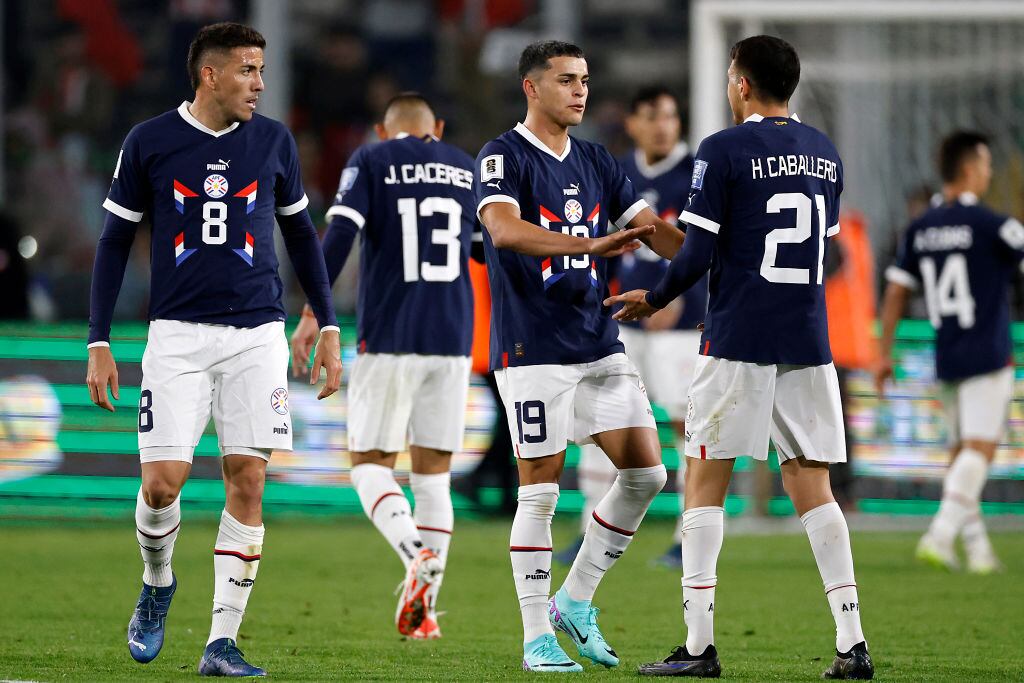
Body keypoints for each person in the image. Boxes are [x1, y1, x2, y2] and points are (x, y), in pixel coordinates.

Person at [610, 35, 873, 679]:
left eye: (731, 77)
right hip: (808, 342)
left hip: (737, 338)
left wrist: (656, 295)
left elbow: (696, 254)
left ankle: (699, 648)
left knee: (704, 478)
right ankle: (852, 643)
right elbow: (829, 254)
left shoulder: (723, 150)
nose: (729, 87)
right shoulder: (824, 152)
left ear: (743, 84)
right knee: (813, 485)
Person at [85, 23, 342, 678]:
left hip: (257, 333)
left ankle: (221, 642)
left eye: (261, 70)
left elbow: (302, 236)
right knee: (161, 484)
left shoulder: (274, 141)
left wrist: (328, 321)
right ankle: (158, 579)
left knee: (248, 478)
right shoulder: (150, 141)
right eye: (249, 70)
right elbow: (115, 242)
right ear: (209, 75)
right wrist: (99, 338)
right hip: (176, 334)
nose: (260, 83)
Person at [475, 40, 685, 672]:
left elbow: (658, 233)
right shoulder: (501, 156)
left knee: (648, 473)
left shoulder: (598, 161)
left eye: (586, 80)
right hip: (532, 348)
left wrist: (715, 255)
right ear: (532, 88)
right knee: (538, 491)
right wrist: (592, 244)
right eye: (566, 80)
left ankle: (575, 598)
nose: (580, 91)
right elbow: (505, 231)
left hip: (596, 339)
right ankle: (536, 635)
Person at [291, 92, 483, 639]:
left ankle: (415, 554)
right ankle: (425, 614)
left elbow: (341, 237)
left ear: (383, 130)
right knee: (433, 478)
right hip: (452, 339)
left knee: (370, 465)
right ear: (437, 128)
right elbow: (481, 250)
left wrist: (312, 311)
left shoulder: (372, 160)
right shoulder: (465, 167)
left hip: (391, 335)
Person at [556, 85, 706, 570]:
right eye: (652, 116)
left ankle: (690, 538)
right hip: (622, 322)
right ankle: (589, 533)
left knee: (690, 430)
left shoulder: (696, 174)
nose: (664, 125)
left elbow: (705, 249)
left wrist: (673, 297)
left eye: (670, 115)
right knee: (604, 425)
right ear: (634, 124)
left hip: (680, 326)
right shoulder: (616, 170)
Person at [876, 130, 1020, 574]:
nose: (989, 173)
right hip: (990, 353)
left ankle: (977, 551)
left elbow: (896, 293)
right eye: (987, 165)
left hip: (947, 354)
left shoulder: (920, 229)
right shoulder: (997, 226)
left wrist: (883, 353)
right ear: (972, 169)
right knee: (980, 450)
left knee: (961, 453)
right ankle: (939, 535)